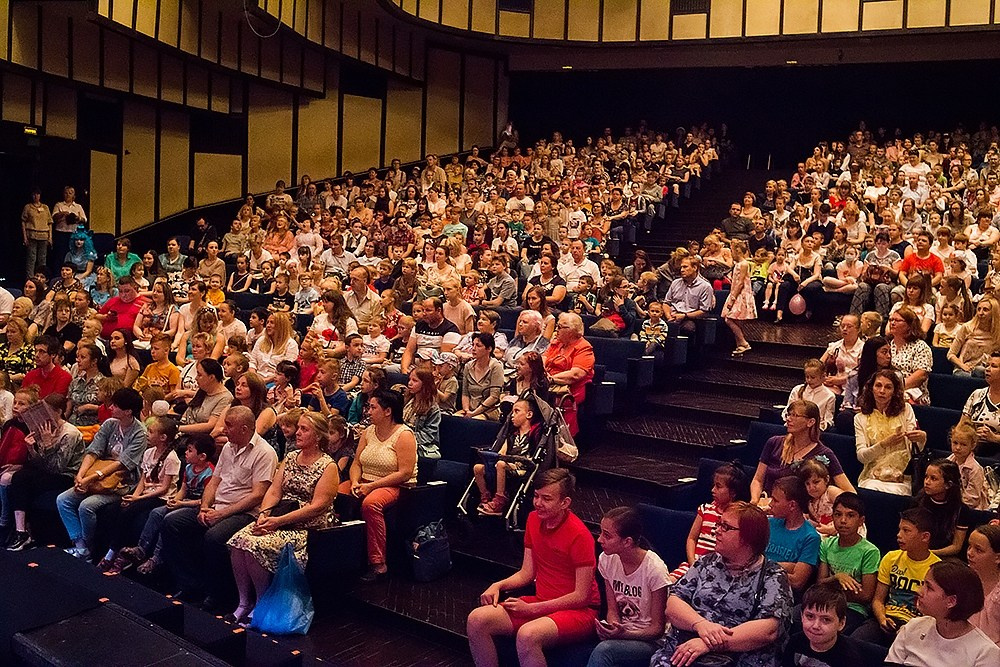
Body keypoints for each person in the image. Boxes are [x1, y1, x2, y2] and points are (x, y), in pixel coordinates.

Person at [467, 469, 600, 667]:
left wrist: (532, 608)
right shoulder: (532, 519)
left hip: (579, 611)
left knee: (528, 634)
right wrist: (498, 585)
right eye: (536, 496)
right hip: (542, 601)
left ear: (565, 503)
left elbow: (581, 596)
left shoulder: (580, 535)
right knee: (477, 620)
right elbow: (527, 573)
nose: (538, 503)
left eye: (546, 498)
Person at [226, 411, 339, 625]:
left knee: (253, 546)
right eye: (299, 427)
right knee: (238, 542)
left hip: (306, 528)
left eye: (304, 429)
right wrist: (265, 514)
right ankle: (243, 602)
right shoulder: (289, 458)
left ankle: (262, 602)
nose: (298, 432)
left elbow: (317, 507)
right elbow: (274, 492)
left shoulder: (328, 466)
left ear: (317, 436)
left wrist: (278, 521)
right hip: (279, 518)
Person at [650, 501, 793, 667]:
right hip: (683, 650)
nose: (715, 531)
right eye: (718, 524)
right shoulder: (706, 562)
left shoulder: (773, 576)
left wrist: (708, 644)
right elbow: (673, 603)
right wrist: (700, 625)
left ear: (749, 537)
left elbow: (768, 630)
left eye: (725, 527)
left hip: (736, 659)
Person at [161, 405, 278, 609]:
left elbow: (258, 495)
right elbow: (214, 482)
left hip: (244, 512)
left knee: (214, 537)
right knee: (172, 522)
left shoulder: (265, 453)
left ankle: (218, 596)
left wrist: (221, 513)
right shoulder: (227, 449)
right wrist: (205, 506)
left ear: (244, 429)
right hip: (218, 507)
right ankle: (191, 583)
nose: (224, 430)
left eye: (229, 426)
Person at [56, 387, 147, 560]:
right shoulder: (109, 424)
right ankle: (80, 546)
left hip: (122, 484)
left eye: (116, 405)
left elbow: (123, 463)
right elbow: (93, 451)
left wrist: (90, 478)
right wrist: (81, 476)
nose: (111, 408)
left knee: (86, 506)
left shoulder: (139, 433)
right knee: (63, 500)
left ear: (128, 411)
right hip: (95, 477)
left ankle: (90, 548)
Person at [586, 506, 670, 667]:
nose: (599, 539)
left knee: (605, 650)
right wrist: (612, 627)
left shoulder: (654, 569)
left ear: (627, 542)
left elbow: (657, 629)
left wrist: (625, 634)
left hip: (651, 640)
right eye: (601, 532)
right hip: (624, 633)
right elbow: (612, 610)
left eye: (607, 535)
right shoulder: (606, 559)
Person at [349, 389, 417, 582]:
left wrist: (372, 486)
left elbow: (404, 472)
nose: (368, 411)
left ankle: (378, 563)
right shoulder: (368, 432)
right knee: (335, 493)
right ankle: (344, 555)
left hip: (397, 484)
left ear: (387, 411)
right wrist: (355, 481)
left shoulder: (404, 434)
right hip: (365, 481)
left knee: (371, 504)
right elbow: (356, 463)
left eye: (372, 407)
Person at [98, 415, 181, 572]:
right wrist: (132, 497)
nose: (147, 434)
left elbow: (163, 488)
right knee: (113, 509)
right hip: (144, 495)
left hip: (160, 498)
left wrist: (137, 499)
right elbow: (143, 480)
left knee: (128, 513)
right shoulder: (149, 452)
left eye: (150, 432)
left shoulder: (172, 458)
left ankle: (114, 554)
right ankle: (114, 550)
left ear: (163, 437)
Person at [4, 393, 84, 551]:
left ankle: (26, 531)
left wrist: (48, 445)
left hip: (66, 475)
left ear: (58, 412)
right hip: (46, 470)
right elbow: (39, 463)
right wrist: (31, 449)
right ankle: (21, 531)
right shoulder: (44, 427)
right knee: (19, 477)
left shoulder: (70, 433)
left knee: (27, 483)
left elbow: (57, 468)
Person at [851, 507, 940, 646]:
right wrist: (882, 619)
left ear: (925, 536)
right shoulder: (891, 558)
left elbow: (935, 614)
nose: (899, 535)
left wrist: (911, 628)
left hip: (916, 626)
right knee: (855, 642)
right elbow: (878, 600)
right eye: (899, 529)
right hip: (887, 618)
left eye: (906, 531)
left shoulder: (937, 568)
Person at [886, 561, 999, 666]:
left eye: (929, 587)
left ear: (951, 601)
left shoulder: (985, 653)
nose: (919, 591)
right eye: (923, 584)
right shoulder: (913, 626)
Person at [751, 399, 855, 505]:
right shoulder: (774, 442)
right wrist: (754, 501)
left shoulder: (824, 453)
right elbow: (758, 480)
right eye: (789, 414)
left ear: (810, 422)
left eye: (795, 415)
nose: (788, 419)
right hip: (767, 503)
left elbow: (850, 493)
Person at [854, 369, 927, 495]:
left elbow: (914, 449)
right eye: (878, 386)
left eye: (888, 387)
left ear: (894, 392)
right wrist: (883, 445)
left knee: (895, 493)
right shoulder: (860, 418)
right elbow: (861, 457)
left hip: (900, 477)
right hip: (872, 476)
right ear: (871, 388)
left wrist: (921, 439)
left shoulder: (906, 410)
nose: (882, 391)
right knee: (870, 490)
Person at [474, 398, 543, 517]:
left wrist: (507, 461)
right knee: (478, 468)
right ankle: (485, 496)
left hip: (523, 466)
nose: (512, 416)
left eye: (516, 411)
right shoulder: (511, 436)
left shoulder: (534, 435)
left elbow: (532, 457)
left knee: (501, 464)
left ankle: (500, 500)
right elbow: (501, 453)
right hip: (507, 464)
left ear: (529, 414)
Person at [766, 475, 821, 595]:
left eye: (775, 500)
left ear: (792, 505)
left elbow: (797, 581)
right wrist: (789, 566)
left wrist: (765, 564)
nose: (770, 504)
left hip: (781, 594)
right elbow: (749, 559)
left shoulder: (810, 537)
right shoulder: (769, 523)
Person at [543, 313, 594, 436]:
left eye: (560, 327)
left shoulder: (584, 347)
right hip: (548, 385)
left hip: (569, 390)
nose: (556, 330)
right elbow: (544, 358)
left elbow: (575, 374)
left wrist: (551, 379)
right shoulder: (557, 343)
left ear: (571, 330)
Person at [913, 459, 972, 560]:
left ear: (948, 485)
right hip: (918, 552)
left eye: (933, 478)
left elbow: (956, 547)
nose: (927, 482)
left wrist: (928, 553)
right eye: (926, 477)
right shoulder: (917, 502)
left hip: (945, 558)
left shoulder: (961, 510)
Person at [404, 368, 441, 482]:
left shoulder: (433, 408)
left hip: (419, 444)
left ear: (424, 384)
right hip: (402, 439)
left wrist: (406, 438)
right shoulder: (407, 400)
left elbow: (429, 435)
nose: (410, 383)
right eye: (409, 379)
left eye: (414, 380)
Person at [663, 256, 715, 335]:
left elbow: (704, 311)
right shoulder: (675, 283)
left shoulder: (705, 286)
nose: (682, 270)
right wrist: (668, 316)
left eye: (685, 267)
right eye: (681, 267)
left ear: (694, 268)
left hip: (689, 317)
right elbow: (666, 303)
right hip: (671, 315)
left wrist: (684, 316)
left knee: (688, 328)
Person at [722, 239, 757, 355]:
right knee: (736, 320)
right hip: (735, 292)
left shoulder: (744, 264)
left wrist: (733, 298)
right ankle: (739, 345)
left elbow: (741, 282)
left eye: (732, 251)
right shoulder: (737, 264)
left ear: (737, 251)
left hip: (740, 294)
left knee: (729, 319)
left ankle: (743, 342)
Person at [967, 524, 1000, 646]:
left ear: (997, 558)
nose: (970, 553)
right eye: (969, 546)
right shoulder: (961, 578)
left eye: (978, 550)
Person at [781, 359, 836, 431]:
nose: (809, 380)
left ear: (823, 376)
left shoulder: (829, 396)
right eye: (807, 377)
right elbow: (787, 411)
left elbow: (828, 420)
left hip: (815, 430)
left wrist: (817, 427)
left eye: (813, 377)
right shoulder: (797, 390)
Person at [948, 423, 988, 510]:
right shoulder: (947, 462)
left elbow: (973, 498)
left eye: (963, 444)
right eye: (955, 443)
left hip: (970, 509)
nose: (958, 447)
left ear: (972, 446)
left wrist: (953, 505)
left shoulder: (975, 469)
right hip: (948, 503)